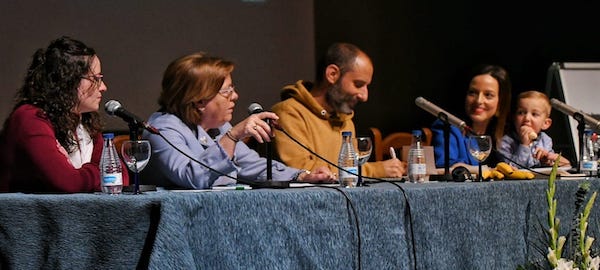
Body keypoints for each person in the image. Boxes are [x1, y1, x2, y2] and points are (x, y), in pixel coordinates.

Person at [141, 52, 335, 189]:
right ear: (199, 99)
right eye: (227, 91)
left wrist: (301, 175)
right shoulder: (162, 129)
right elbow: (193, 177)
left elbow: (252, 165)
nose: (235, 96)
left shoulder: (217, 127)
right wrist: (233, 136)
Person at [0, 36, 129, 193]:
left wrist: (89, 173)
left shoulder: (84, 119)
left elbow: (120, 175)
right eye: (95, 79)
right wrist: (99, 172)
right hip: (25, 215)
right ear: (68, 81)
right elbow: (68, 183)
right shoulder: (30, 118)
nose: (103, 87)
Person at [271, 43, 405, 178]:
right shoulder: (289, 113)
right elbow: (302, 170)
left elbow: (350, 167)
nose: (364, 96)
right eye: (358, 84)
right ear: (332, 74)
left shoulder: (345, 119)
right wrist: (375, 170)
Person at [431, 64, 512, 169]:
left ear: (500, 103)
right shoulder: (447, 126)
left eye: (488, 95)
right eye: (472, 93)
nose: (479, 101)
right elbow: (446, 166)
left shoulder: (505, 135)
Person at [498, 90, 570, 168]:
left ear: (545, 123)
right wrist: (524, 145)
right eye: (521, 112)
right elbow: (512, 169)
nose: (527, 118)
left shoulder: (545, 140)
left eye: (534, 114)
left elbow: (550, 166)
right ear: (514, 118)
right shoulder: (505, 142)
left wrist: (547, 159)